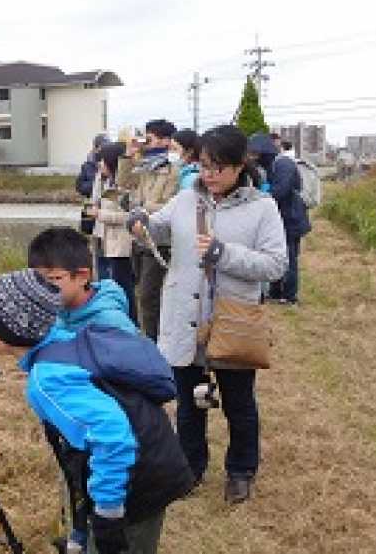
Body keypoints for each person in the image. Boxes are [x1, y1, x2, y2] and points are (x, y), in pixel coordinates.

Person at [0, 263, 193, 554]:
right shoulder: (65, 341)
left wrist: (107, 514)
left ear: (12, 329)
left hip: (136, 483)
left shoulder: (46, 379)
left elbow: (112, 436)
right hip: (150, 460)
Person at [126, 124, 287, 504]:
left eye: (219, 167)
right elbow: (160, 228)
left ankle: (241, 471)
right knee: (188, 401)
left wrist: (223, 253)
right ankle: (190, 468)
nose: (209, 175)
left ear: (239, 165)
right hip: (184, 315)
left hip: (231, 319)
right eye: (204, 166)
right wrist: (140, 223)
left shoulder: (262, 207)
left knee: (238, 403)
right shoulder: (185, 199)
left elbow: (276, 264)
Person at [132, 119, 180, 342]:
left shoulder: (173, 169)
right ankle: (151, 337)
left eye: (149, 138)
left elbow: (173, 205)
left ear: (164, 140)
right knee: (143, 294)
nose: (146, 142)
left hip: (160, 240)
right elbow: (125, 183)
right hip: (140, 236)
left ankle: (154, 341)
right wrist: (128, 154)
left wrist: (143, 209)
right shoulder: (147, 166)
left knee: (149, 295)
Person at [90, 142, 138, 325]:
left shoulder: (125, 185)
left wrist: (100, 214)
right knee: (106, 283)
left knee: (123, 286)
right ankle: (112, 319)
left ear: (112, 161)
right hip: (103, 239)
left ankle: (130, 323)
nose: (99, 164)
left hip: (120, 243)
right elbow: (95, 200)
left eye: (102, 160)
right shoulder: (103, 180)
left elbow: (129, 216)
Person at [267, 139, 311, 304]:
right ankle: (276, 292)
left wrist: (265, 195)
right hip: (286, 216)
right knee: (278, 254)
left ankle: (290, 296)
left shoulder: (283, 164)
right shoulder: (278, 164)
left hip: (291, 218)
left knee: (289, 257)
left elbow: (281, 190)